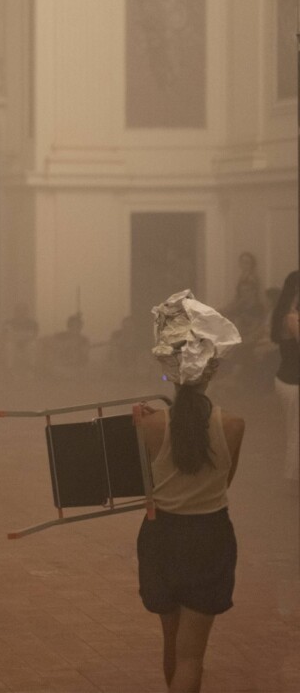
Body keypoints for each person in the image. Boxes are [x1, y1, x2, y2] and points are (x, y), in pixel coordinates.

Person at [137, 292, 244, 693]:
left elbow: (146, 486)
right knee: (192, 655)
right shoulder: (234, 425)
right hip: (209, 536)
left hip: (161, 536)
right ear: (211, 368)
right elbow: (224, 482)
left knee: (171, 643)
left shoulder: (148, 426)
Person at [270, 269, 299, 483]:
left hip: (287, 379)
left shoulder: (287, 314)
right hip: (292, 382)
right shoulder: (291, 318)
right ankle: (293, 479)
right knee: (295, 434)